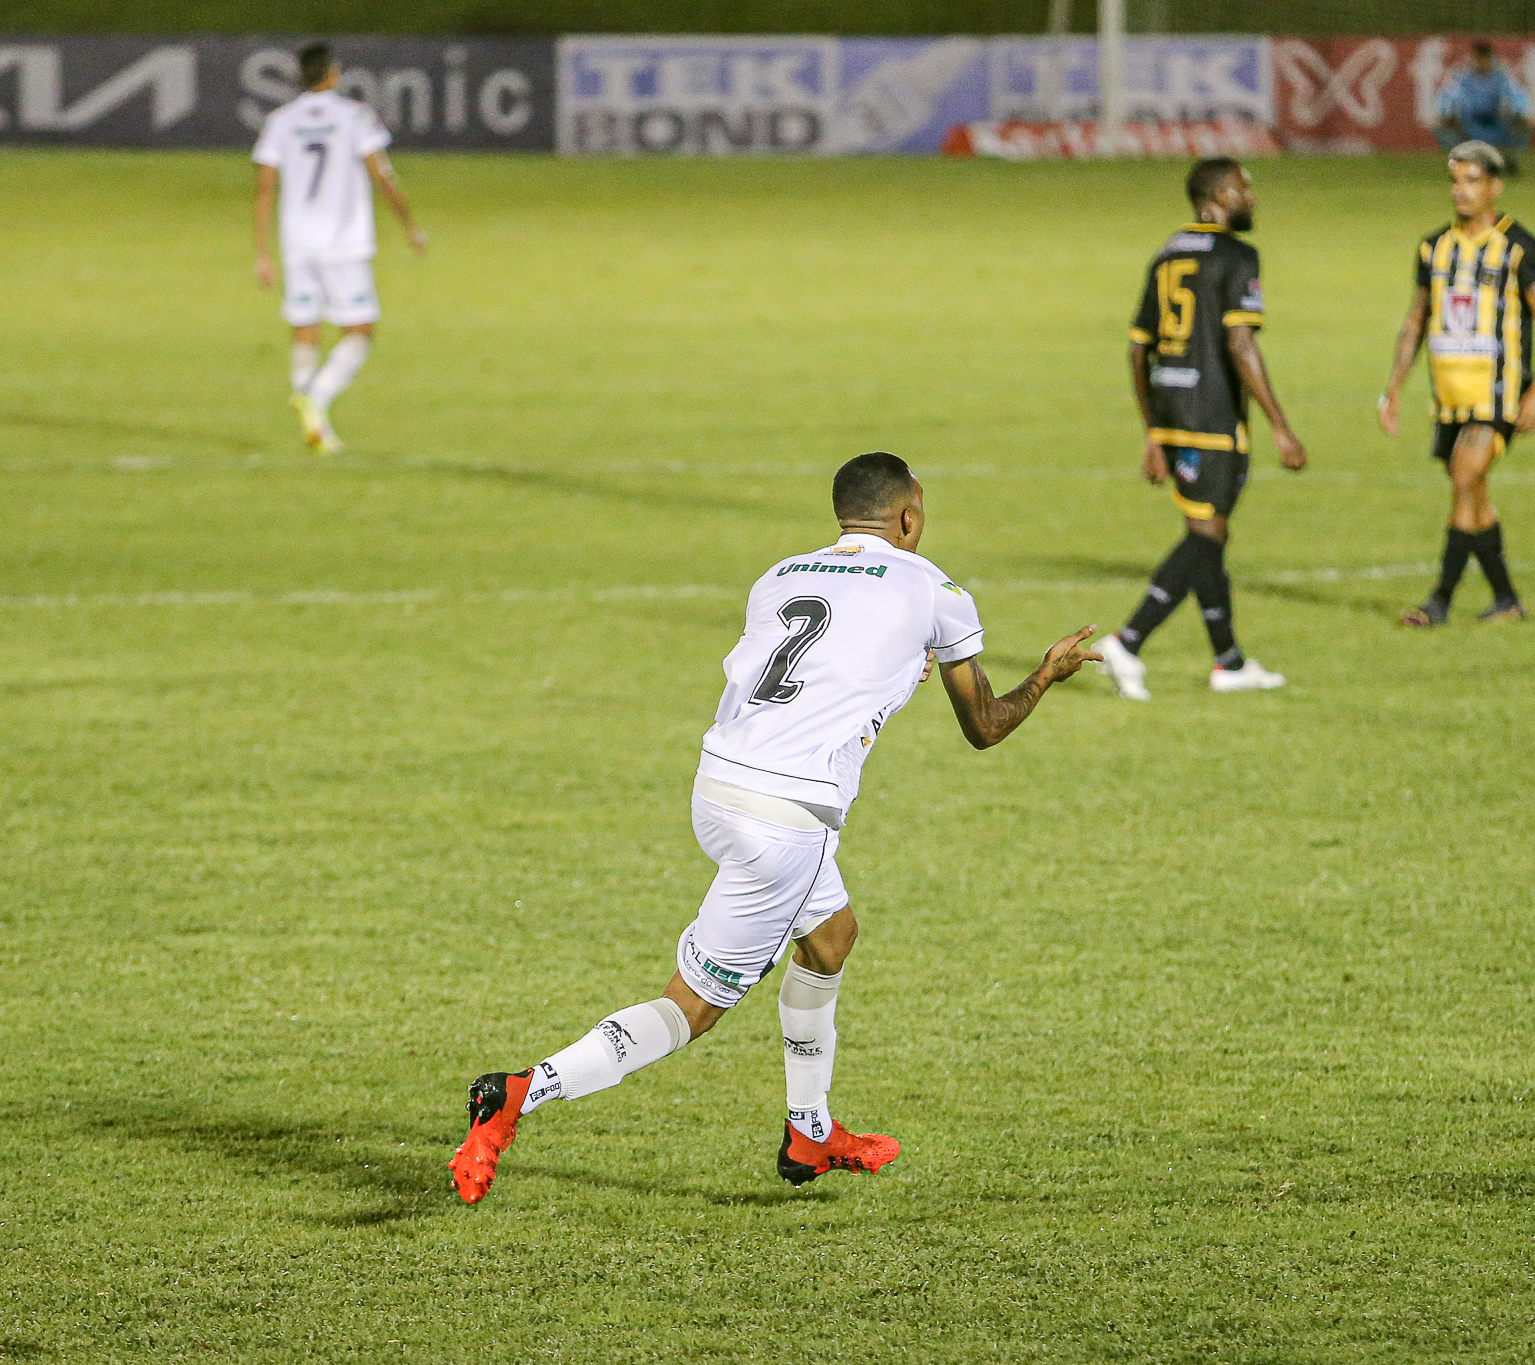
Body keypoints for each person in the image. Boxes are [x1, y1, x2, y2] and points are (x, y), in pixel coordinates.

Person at [446, 452, 1102, 1204]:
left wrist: (897, 668)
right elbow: (984, 725)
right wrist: (1045, 675)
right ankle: (520, 1092)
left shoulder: (780, 575)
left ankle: (809, 1131)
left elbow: (807, 667)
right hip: (788, 818)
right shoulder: (934, 589)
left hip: (718, 787)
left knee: (831, 938)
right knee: (691, 1008)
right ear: (909, 515)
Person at [1092, 157, 1307, 703]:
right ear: (1214, 200)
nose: (1251, 197)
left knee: (1210, 533)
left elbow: (1137, 349)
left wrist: (1153, 432)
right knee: (1205, 537)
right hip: (1213, 419)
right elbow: (1240, 344)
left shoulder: (1166, 255)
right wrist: (1281, 426)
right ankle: (1128, 641)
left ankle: (1228, 661)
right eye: (1241, 189)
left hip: (1171, 414)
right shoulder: (1237, 255)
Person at [1379, 141, 1535, 627]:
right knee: (1473, 497)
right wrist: (1394, 386)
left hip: (1498, 395)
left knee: (1464, 476)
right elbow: (1416, 320)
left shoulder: (1519, 247)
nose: (1461, 191)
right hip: (1450, 399)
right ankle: (1506, 599)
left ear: (1495, 187)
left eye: (1472, 181)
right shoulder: (1433, 248)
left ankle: (1438, 602)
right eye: (1455, 181)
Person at [251, 42, 427, 455]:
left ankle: (310, 416)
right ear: (333, 74)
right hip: (344, 242)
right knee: (361, 329)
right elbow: (383, 176)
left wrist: (262, 252)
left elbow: (265, 188)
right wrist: (409, 225)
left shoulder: (281, 121)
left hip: (297, 241)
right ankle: (316, 397)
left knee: (305, 324)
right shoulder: (354, 117)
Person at [1434, 42, 1532, 172]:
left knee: (1524, 128)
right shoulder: (1463, 78)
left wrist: (1519, 113)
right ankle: (1466, 161)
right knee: (1443, 129)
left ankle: (1507, 159)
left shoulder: (1500, 77)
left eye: (1485, 58)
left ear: (1490, 59)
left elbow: (1517, 96)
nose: (1482, 62)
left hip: (1495, 123)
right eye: (1478, 58)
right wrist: (1447, 114)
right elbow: (1447, 96)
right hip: (1469, 124)